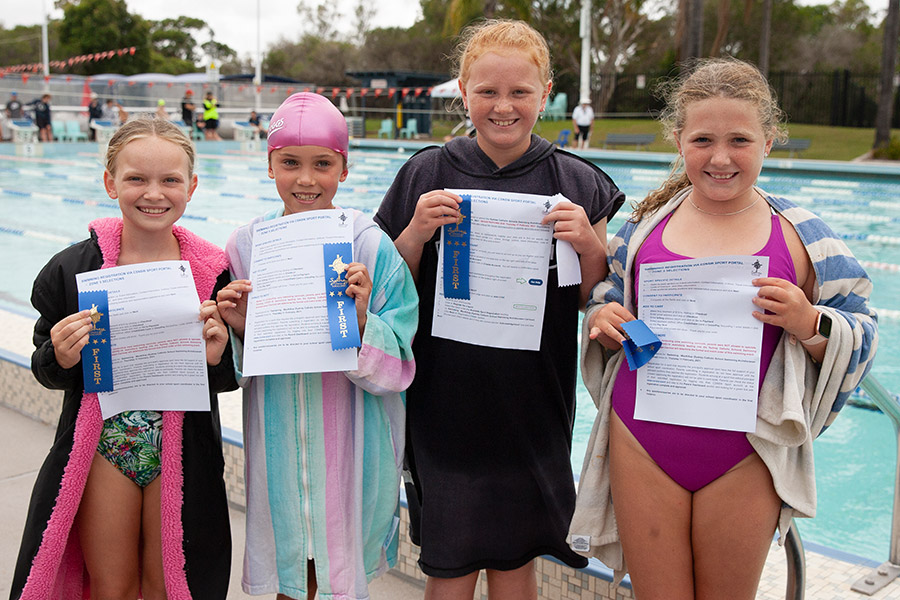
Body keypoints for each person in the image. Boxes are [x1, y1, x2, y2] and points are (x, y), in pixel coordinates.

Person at [567, 58, 878, 599]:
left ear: (770, 140)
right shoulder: (644, 227)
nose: (720, 158)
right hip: (643, 441)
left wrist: (810, 323)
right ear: (678, 139)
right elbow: (605, 296)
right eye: (703, 139)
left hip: (746, 452)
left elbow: (861, 330)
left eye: (740, 140)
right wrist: (602, 316)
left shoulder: (804, 237)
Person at [374, 19, 624, 600]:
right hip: (445, 406)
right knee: (450, 566)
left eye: (519, 93)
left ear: (545, 94)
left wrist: (588, 242)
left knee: (517, 564)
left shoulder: (577, 180)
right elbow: (388, 290)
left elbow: (597, 297)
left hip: (533, 406)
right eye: (487, 91)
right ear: (464, 92)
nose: (503, 106)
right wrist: (414, 232)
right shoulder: (426, 172)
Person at [10, 118, 236, 599]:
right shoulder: (74, 270)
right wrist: (61, 355)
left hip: (183, 449)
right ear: (110, 181)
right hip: (104, 448)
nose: (153, 192)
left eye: (170, 180)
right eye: (136, 178)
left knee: (167, 586)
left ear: (191, 187)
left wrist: (217, 356)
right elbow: (42, 363)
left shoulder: (212, 273)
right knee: (111, 586)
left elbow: (227, 373)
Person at [216, 92, 418, 600]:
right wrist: (241, 328)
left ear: (344, 169)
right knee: (291, 573)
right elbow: (240, 361)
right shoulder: (245, 246)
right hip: (279, 441)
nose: (306, 180)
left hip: (353, 443)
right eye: (290, 163)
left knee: (337, 576)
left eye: (322, 165)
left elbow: (402, 360)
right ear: (269, 165)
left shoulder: (370, 244)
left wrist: (359, 320)